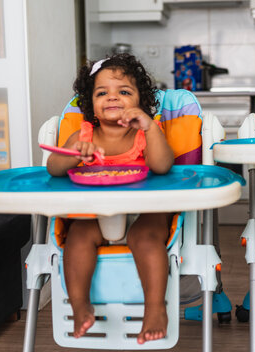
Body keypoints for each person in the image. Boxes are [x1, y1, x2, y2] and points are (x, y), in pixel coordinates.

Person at [46, 53, 175, 343]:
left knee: (146, 237)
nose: (112, 98)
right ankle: (80, 306)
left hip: (143, 214)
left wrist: (150, 127)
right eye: (102, 92)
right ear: (90, 103)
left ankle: (155, 309)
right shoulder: (84, 134)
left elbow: (163, 165)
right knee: (77, 236)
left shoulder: (145, 134)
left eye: (124, 92)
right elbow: (53, 168)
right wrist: (74, 155)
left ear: (141, 103)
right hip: (96, 215)